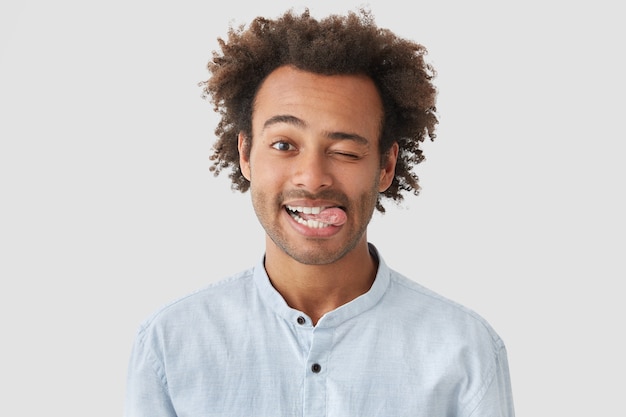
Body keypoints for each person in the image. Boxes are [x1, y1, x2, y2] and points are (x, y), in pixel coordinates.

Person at [124, 8, 515, 417]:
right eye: (283, 145)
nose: (312, 179)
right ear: (245, 154)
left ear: (385, 167)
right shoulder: (169, 345)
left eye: (345, 151)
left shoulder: (465, 351)